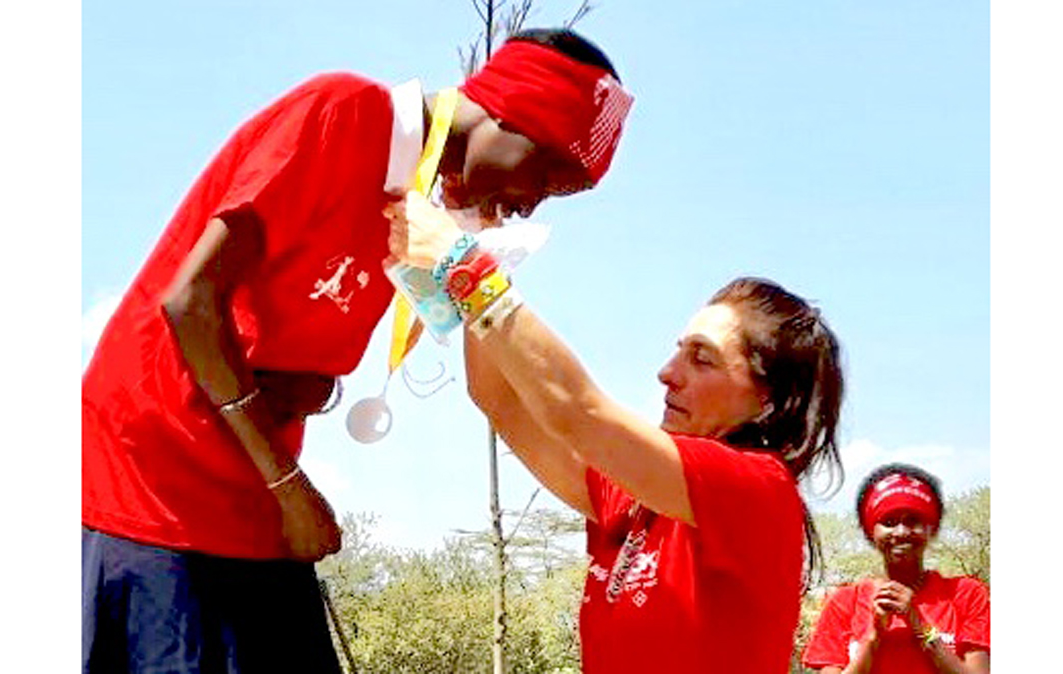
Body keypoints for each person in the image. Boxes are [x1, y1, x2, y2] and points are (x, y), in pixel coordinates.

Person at [81, 28, 633, 674]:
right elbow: (190, 304)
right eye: (545, 173)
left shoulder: (418, 218)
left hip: (255, 497)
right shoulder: (344, 113)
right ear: (506, 112)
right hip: (154, 485)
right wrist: (292, 490)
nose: (529, 204)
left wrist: (314, 386)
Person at [386, 203, 845, 672]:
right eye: (679, 351)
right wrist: (478, 232)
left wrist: (463, 265)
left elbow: (578, 412)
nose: (667, 374)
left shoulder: (756, 489)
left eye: (702, 359)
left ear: (766, 399)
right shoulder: (632, 499)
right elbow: (499, 398)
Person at [802, 464, 990, 673]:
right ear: (870, 532)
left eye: (914, 521)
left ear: (931, 529)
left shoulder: (965, 594)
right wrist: (873, 637)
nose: (901, 532)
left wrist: (921, 626)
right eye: (889, 522)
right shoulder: (844, 603)